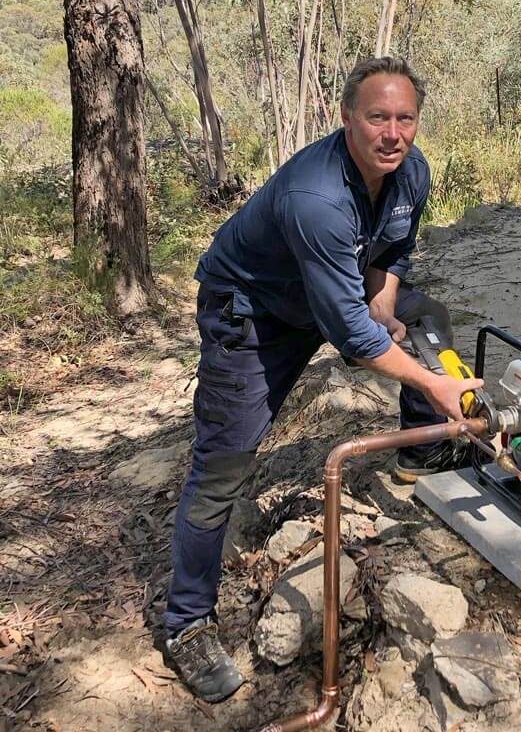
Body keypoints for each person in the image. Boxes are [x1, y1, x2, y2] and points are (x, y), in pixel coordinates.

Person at [163, 56, 483, 702]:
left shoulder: (408, 171)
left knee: (428, 317)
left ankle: (420, 457)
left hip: (329, 293)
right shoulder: (318, 197)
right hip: (253, 312)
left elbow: (393, 252)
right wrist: (434, 383)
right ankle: (186, 623)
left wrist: (386, 300)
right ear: (346, 119)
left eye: (404, 118)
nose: (391, 133)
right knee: (223, 466)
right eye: (376, 118)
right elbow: (354, 339)